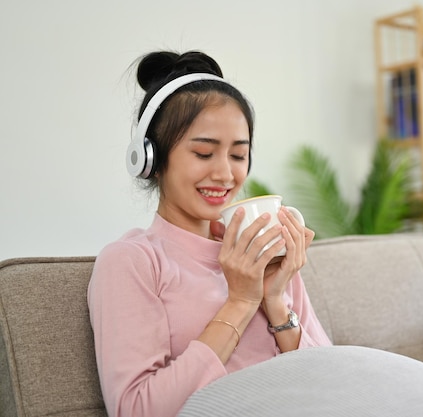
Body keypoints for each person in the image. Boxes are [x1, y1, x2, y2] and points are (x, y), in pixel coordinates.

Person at [88, 50, 332, 417]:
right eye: (203, 153)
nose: (224, 174)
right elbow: (135, 409)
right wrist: (241, 302)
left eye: (238, 156)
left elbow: (332, 379)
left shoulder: (264, 251)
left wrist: (276, 298)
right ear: (151, 160)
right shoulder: (132, 262)